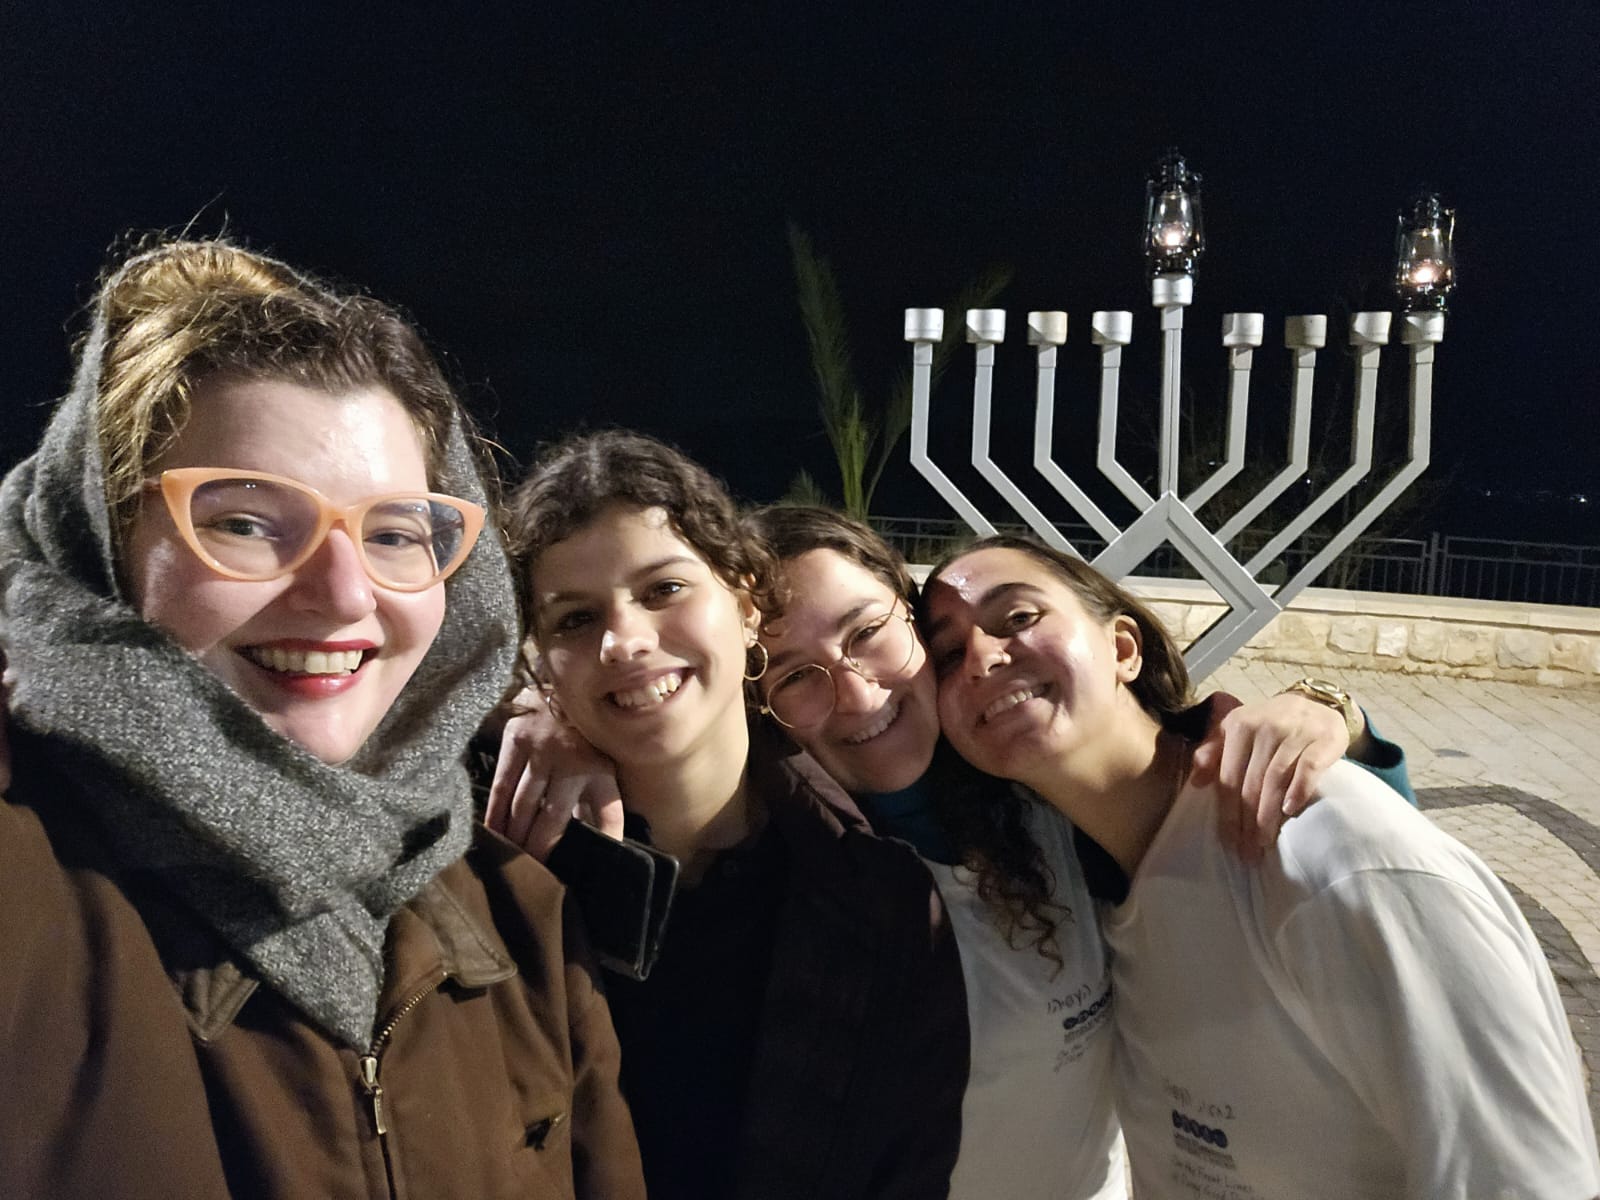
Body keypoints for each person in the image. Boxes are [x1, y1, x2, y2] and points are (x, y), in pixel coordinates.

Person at [492, 502, 1414, 1200]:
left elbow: (1245, 818)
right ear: (758, 694)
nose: (858, 696)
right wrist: (550, 720)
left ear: (917, 621)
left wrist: (1336, 714)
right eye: (799, 676)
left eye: (868, 633)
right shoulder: (779, 869)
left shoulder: (1043, 799)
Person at [0, 239, 645, 1198]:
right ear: (96, 536)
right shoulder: (26, 887)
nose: (345, 594)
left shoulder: (521, 919)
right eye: (244, 522)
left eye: (395, 533)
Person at [920, 535, 1600, 1199]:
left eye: (1019, 616)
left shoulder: (1331, 857)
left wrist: (1332, 707)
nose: (979, 657)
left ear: (1123, 648)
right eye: (948, 654)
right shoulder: (1066, 885)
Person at [502, 430, 969, 1200]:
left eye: (664, 589)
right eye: (575, 620)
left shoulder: (883, 902)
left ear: (747, 605)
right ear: (540, 660)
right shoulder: (499, 880)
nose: (625, 641)